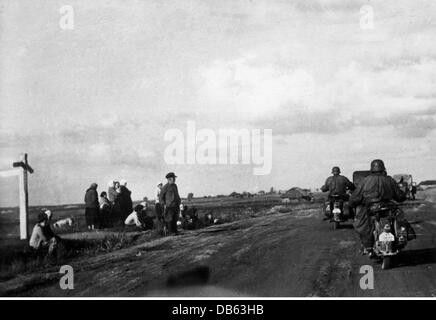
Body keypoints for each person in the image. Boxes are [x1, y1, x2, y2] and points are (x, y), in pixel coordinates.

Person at [349, 159, 415, 255]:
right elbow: (400, 197)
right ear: (383, 168)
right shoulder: (389, 180)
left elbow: (355, 197)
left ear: (372, 169)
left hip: (371, 208)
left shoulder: (365, 181)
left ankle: (368, 247)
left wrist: (352, 204)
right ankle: (402, 238)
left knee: (361, 224)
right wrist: (403, 196)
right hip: (389, 207)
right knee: (401, 220)